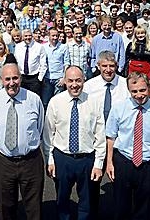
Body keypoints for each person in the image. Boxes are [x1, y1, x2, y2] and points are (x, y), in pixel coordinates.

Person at [106, 72, 150, 220]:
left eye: (142, 90)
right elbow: (111, 137)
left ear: (149, 88)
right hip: (123, 162)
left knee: (144, 209)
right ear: (129, 90)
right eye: (134, 91)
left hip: (148, 166)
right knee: (120, 208)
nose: (139, 95)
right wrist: (109, 163)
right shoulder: (118, 109)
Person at [43, 66, 106, 220]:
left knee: (87, 202)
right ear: (64, 81)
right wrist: (50, 160)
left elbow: (100, 134)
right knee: (62, 200)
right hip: (63, 158)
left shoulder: (94, 102)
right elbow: (48, 134)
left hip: (87, 159)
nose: (74, 84)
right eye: (70, 81)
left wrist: (98, 164)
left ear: (84, 80)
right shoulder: (55, 102)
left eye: (78, 80)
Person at [0, 63, 45, 220]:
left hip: (31, 161)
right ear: (1, 80)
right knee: (6, 207)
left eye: (15, 78)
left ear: (21, 78)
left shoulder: (34, 99)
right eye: (7, 79)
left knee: (34, 208)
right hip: (3, 161)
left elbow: (40, 129)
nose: (11, 83)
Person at [83, 50, 130, 217]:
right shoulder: (89, 86)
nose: (108, 70)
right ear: (98, 66)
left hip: (119, 143)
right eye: (104, 66)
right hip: (96, 142)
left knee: (120, 185)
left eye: (112, 66)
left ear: (117, 66)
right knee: (92, 182)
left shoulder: (126, 85)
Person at [41, 28, 70, 109]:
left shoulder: (64, 47)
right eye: (53, 36)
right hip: (47, 78)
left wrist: (64, 78)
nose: (55, 38)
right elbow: (42, 63)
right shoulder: (43, 47)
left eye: (56, 35)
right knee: (45, 102)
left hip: (59, 79)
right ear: (48, 36)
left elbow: (66, 63)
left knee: (59, 102)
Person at [124, 26, 150, 95]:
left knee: (146, 91)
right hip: (133, 70)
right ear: (135, 35)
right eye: (138, 33)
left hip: (146, 70)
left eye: (142, 33)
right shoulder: (131, 45)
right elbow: (127, 61)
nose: (140, 35)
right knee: (132, 90)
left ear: (145, 34)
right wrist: (125, 75)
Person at [13, 29, 47, 97]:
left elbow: (43, 64)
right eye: (25, 36)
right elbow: (16, 61)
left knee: (34, 98)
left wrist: (39, 78)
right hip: (22, 77)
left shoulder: (39, 47)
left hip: (34, 78)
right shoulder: (18, 47)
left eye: (29, 36)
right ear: (22, 37)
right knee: (22, 97)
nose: (28, 38)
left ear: (32, 36)